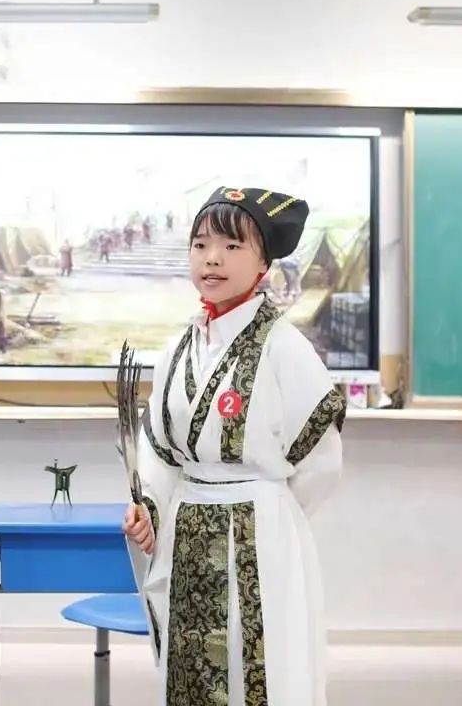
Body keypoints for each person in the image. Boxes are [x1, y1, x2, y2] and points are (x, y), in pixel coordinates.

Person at [122, 187, 345, 706]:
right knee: (191, 673)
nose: (212, 258)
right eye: (201, 244)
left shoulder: (287, 348)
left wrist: (271, 511)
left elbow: (321, 464)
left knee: (263, 672)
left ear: (264, 262)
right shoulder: (178, 348)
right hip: (187, 532)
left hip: (261, 538)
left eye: (231, 246)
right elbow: (159, 450)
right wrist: (150, 508)